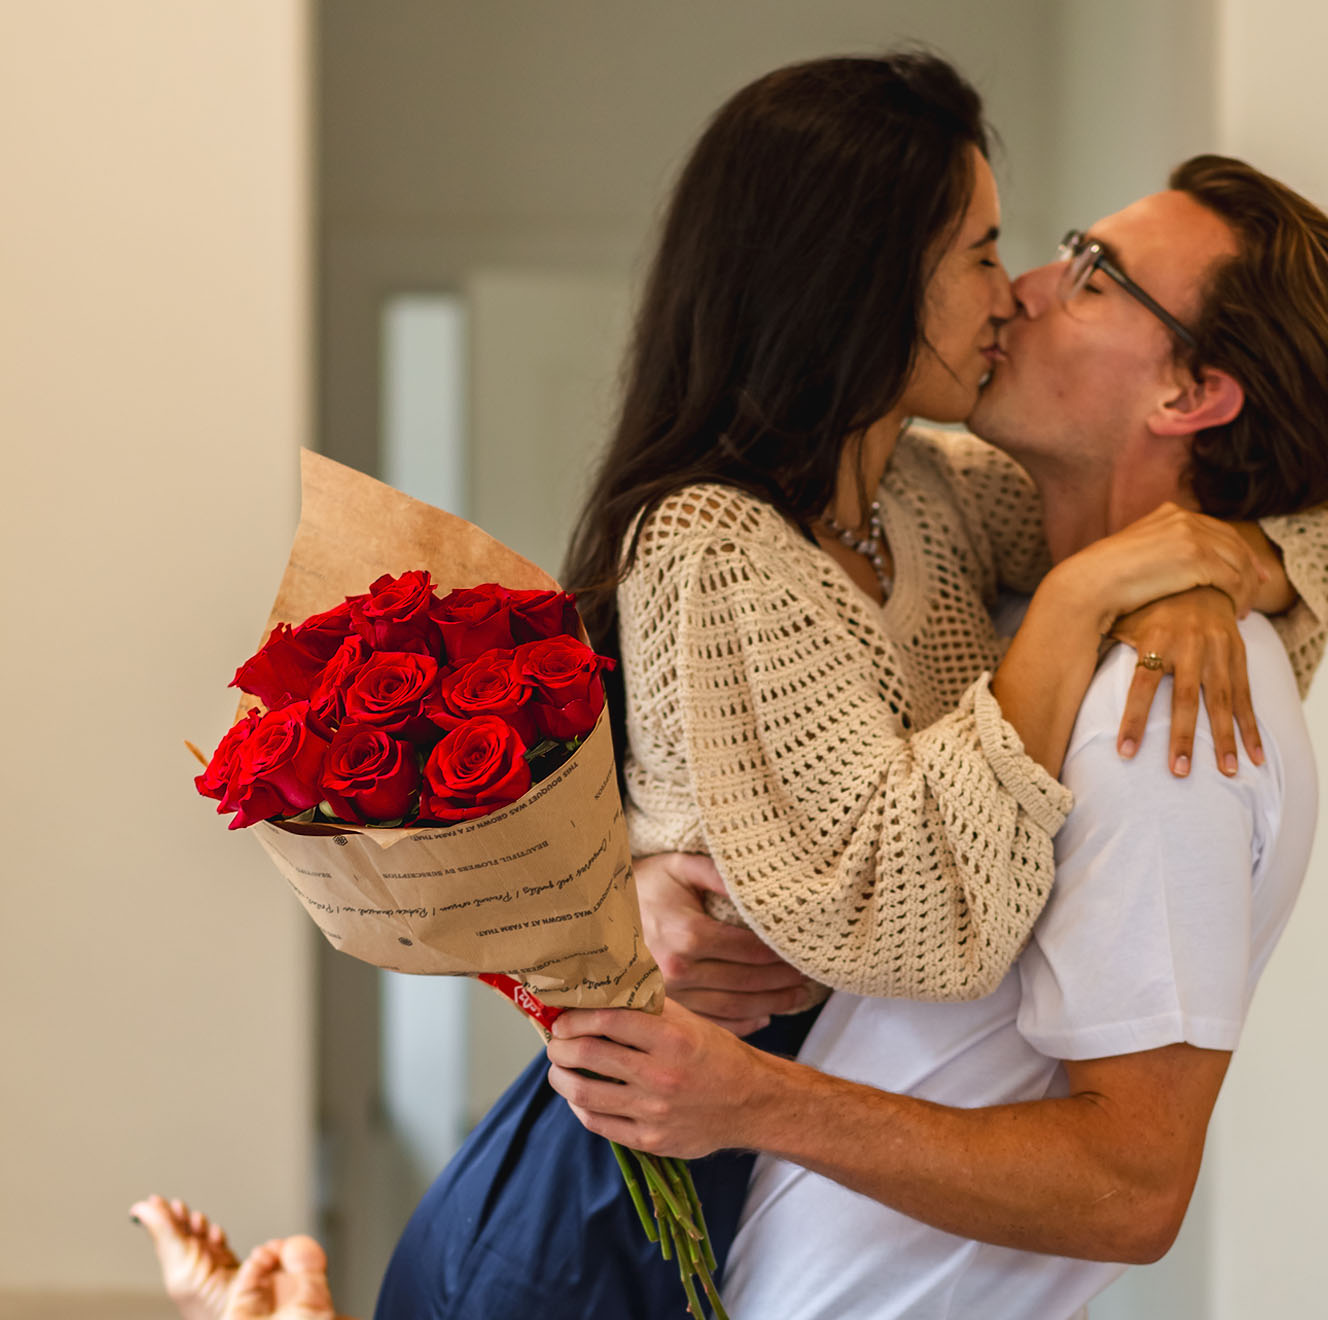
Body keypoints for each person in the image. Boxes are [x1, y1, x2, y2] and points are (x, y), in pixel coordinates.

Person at [137, 53, 1328, 1320]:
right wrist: (1107, 590)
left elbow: (1251, 490)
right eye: (987, 252)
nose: (1019, 289)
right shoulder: (719, 543)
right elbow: (899, 919)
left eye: (1076, 268)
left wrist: (1228, 560)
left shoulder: (932, 504)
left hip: (717, 1133)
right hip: (630, 1159)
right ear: (865, 277)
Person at [546, 153, 1328, 1318]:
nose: (1022, 289)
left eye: (1094, 276)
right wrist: (655, 868)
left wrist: (753, 1100)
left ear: (1188, 394)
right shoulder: (1005, 578)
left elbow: (1130, 1188)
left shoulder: (1164, 704)